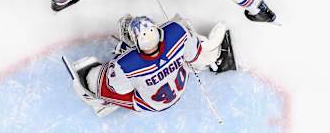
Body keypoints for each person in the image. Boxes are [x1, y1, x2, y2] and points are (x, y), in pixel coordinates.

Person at [67, 14, 236, 116]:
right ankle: (215, 56)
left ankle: (101, 102)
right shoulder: (176, 31)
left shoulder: (125, 65)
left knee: (93, 80)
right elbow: (193, 55)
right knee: (193, 49)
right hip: (179, 85)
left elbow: (120, 89)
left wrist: (117, 64)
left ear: (136, 44)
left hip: (150, 103)